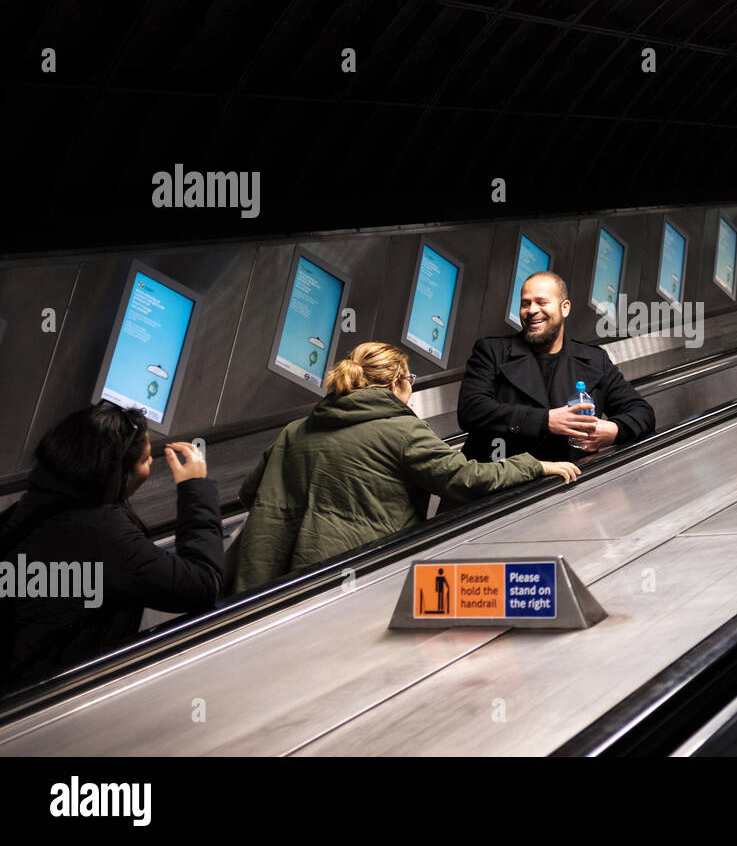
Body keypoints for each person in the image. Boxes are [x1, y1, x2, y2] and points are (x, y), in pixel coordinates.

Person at [232, 342, 578, 593]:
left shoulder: (296, 429)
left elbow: (250, 493)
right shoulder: (402, 430)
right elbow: (465, 479)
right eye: (409, 378)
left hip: (275, 577)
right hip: (360, 570)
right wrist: (535, 465)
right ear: (397, 383)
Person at [0, 403, 222, 688]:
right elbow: (202, 585)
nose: (151, 463)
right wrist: (195, 487)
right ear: (117, 475)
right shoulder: (99, 535)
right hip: (52, 690)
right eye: (144, 460)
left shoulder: (27, 509)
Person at [458, 272, 655, 464]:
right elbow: (472, 410)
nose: (532, 310)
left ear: (565, 308)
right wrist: (545, 420)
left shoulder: (594, 360)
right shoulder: (492, 351)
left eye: (542, 302)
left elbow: (642, 412)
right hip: (499, 485)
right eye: (525, 303)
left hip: (563, 487)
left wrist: (614, 431)